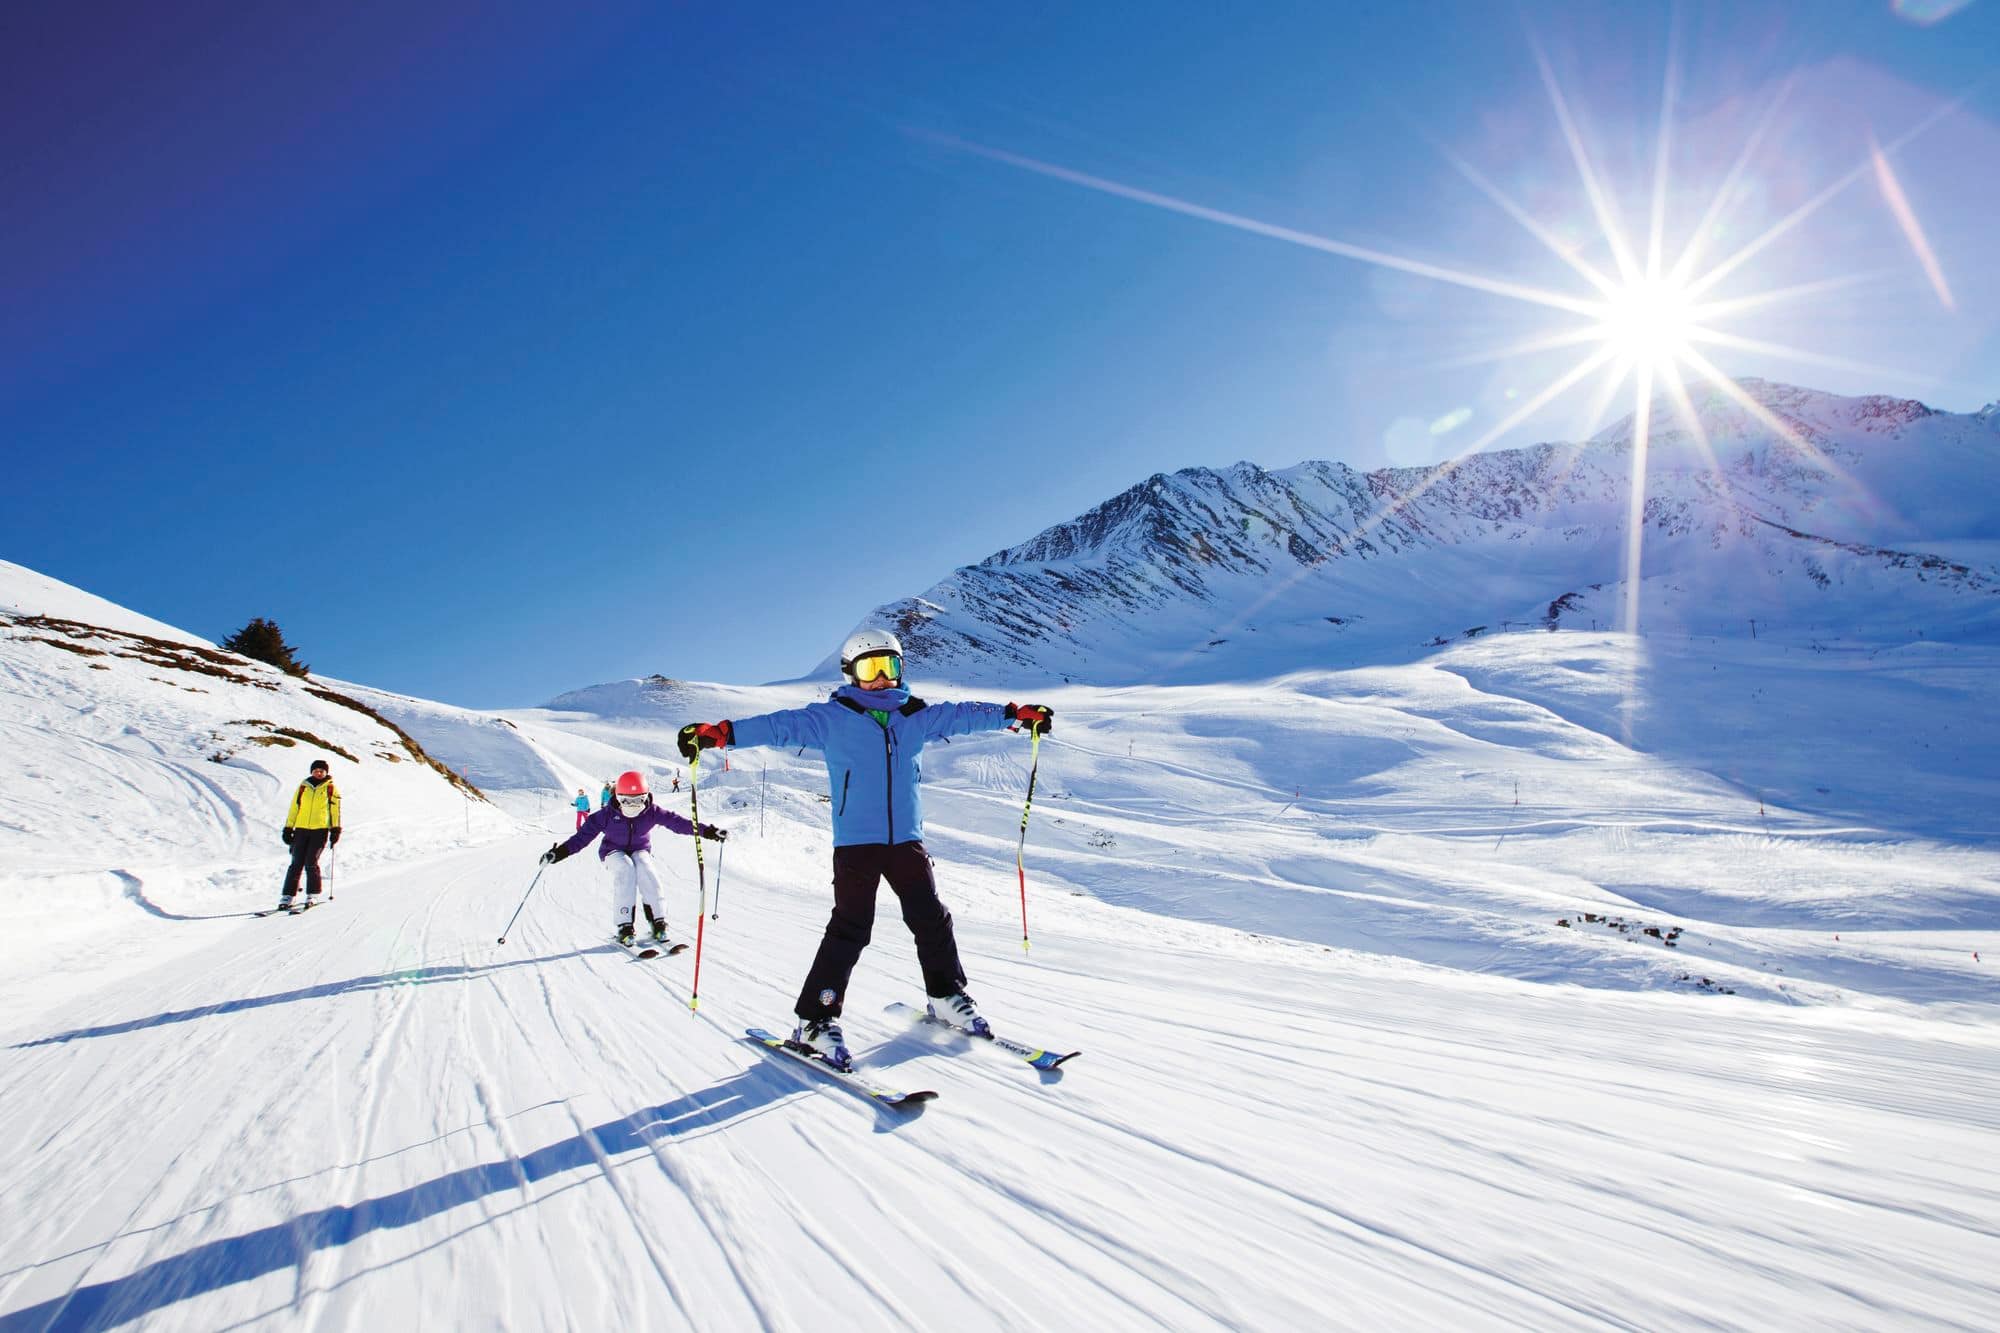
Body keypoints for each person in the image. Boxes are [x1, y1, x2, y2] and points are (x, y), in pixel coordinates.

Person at [678, 628, 1051, 1069]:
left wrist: (1015, 713)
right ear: (850, 674)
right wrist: (721, 734)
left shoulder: (915, 715)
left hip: (906, 840)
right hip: (857, 842)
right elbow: (778, 725)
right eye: (869, 668)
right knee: (852, 928)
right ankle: (815, 1021)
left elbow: (962, 715)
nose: (880, 678)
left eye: (888, 667)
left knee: (930, 916)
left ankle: (946, 995)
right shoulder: (830, 718)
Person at [542, 770, 726, 947]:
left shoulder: (651, 811)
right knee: (626, 870)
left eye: (638, 800)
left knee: (646, 868)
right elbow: (581, 838)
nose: (633, 805)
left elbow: (679, 823)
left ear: (646, 796)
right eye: (627, 801)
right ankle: (625, 926)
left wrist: (708, 831)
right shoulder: (605, 815)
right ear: (618, 797)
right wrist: (558, 853)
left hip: (640, 849)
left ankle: (658, 921)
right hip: (613, 851)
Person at [279, 757, 342, 910]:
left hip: (320, 830)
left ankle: (312, 894)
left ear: (326, 772)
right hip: (301, 829)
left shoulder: (330, 788)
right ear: (312, 771)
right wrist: (288, 828)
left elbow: (335, 811)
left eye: (321, 771)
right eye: (316, 770)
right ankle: (288, 896)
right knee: (296, 863)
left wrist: (335, 830)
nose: (319, 773)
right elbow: (294, 808)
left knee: (311, 862)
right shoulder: (303, 787)